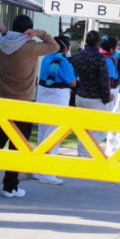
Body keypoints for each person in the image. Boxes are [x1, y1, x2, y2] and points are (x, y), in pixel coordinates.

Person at [0, 15, 58, 197]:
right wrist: (39, 33)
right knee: (18, 145)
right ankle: (10, 186)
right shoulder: (31, 47)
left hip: (2, 100)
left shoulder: (0, 43)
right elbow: (55, 46)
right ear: (28, 31)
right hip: (24, 102)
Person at [32, 35, 76, 185]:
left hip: (43, 98)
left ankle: (37, 170)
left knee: (42, 134)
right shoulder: (63, 62)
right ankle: (48, 173)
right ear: (65, 48)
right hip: (57, 100)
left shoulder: (46, 58)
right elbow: (72, 82)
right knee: (53, 136)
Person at [70, 30, 110, 157]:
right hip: (95, 98)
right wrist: (106, 98)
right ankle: (88, 153)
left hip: (80, 96)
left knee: (83, 128)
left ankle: (82, 153)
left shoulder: (77, 56)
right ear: (98, 43)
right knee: (101, 130)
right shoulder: (99, 58)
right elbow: (103, 80)